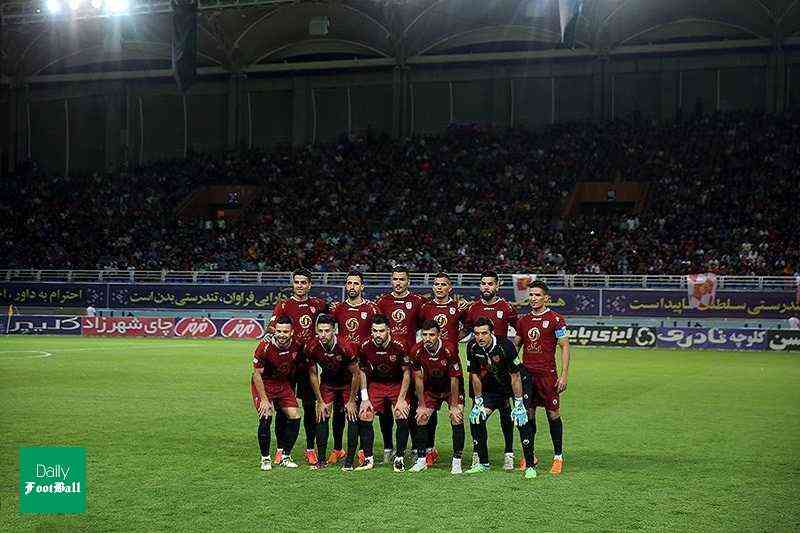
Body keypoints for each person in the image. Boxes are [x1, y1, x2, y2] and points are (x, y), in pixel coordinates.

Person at [268, 268, 329, 466]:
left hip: (308, 364)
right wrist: (286, 335)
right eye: (297, 282)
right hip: (287, 365)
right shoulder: (284, 305)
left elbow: (333, 322)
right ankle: (280, 449)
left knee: (310, 408)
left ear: (310, 284)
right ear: (293, 284)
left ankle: (310, 449)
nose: (300, 286)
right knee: (283, 409)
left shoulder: (318, 304)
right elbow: (270, 327)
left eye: (304, 282)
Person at [464, 317, 538, 479]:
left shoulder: (505, 346)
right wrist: (478, 401)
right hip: (494, 387)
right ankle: (483, 463)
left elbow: (515, 376)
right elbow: (474, 375)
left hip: (518, 384)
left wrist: (518, 403)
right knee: (477, 418)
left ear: (491, 332)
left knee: (521, 420)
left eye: (484, 333)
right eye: (476, 333)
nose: (480, 337)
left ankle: (530, 465)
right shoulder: (472, 346)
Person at [463, 271, 519, 470]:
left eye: (490, 284)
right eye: (483, 284)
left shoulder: (507, 307)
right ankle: (479, 455)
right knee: (476, 414)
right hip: (480, 371)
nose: (486, 287)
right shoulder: (473, 308)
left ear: (497, 286)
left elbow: (519, 331)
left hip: (503, 373)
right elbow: (465, 330)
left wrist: (512, 354)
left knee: (507, 415)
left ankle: (509, 453)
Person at [514, 281, 570, 475]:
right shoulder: (523, 321)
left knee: (553, 414)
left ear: (546, 298)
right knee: (528, 415)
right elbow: (516, 347)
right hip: (527, 376)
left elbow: (564, 347)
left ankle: (558, 457)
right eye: (531, 295)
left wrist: (563, 375)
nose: (533, 298)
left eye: (538, 295)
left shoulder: (556, 319)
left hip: (548, 375)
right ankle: (530, 455)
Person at [344, 314, 412, 472]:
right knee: (365, 414)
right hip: (376, 384)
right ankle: (368, 459)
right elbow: (362, 372)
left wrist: (401, 399)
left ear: (388, 330)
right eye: (374, 331)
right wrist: (365, 398)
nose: (377, 334)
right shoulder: (365, 345)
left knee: (401, 413)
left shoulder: (400, 346)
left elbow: (407, 373)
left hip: (396, 384)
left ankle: (399, 458)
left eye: (381, 331)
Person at [375, 266, 426, 463]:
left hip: (410, 362)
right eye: (395, 279)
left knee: (410, 406)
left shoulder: (417, 302)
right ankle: (388, 446)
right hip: (386, 362)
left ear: (408, 281)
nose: (398, 282)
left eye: (402, 279)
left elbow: (429, 325)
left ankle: (414, 447)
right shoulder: (383, 302)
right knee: (386, 408)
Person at [329, 270, 380, 464]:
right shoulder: (338, 309)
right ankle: (337, 449)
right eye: (349, 283)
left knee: (362, 409)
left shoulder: (372, 309)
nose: (352, 287)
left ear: (362, 286)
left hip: (364, 367)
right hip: (343, 367)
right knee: (339, 411)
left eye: (355, 283)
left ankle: (361, 450)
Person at [418, 272, 466, 466]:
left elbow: (470, 326)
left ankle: (458, 459)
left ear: (450, 288)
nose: (439, 287)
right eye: (436, 284)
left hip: (451, 367)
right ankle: (429, 450)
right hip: (430, 367)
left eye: (443, 284)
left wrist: (454, 340)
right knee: (428, 413)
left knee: (456, 414)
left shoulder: (458, 307)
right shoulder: (425, 308)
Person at [408, 320, 465, 474]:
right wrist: (421, 404)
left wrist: (454, 405)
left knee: (456, 417)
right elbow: (418, 379)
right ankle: (421, 460)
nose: (427, 338)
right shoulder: (416, 350)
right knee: (421, 416)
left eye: (431, 335)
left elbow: (455, 379)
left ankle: (457, 461)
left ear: (439, 335)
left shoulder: (449, 349)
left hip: (451, 388)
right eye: (424, 335)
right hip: (431, 389)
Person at [304, 314, 360, 470]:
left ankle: (349, 462)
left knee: (352, 416)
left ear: (334, 330)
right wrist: (320, 401)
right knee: (321, 415)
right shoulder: (312, 346)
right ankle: (321, 461)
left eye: (327, 331)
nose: (323, 335)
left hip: (347, 385)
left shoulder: (345, 347)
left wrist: (351, 400)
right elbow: (313, 374)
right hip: (328, 384)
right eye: (320, 331)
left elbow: (356, 374)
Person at [250, 315, 306, 470]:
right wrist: (264, 399)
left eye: (285, 332)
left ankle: (285, 456)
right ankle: (265, 458)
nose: (282, 335)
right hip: (264, 384)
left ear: (292, 332)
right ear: (275, 330)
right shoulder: (264, 346)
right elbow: (256, 374)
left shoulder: (297, 345)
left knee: (295, 416)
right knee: (266, 415)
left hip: (282, 384)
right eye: (279, 331)